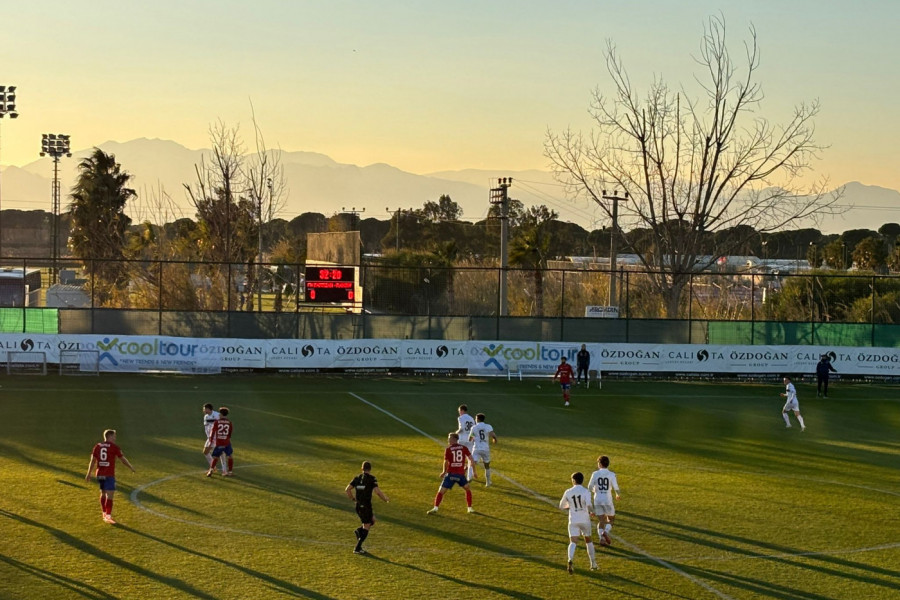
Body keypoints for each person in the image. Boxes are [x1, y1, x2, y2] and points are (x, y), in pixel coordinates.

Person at [85, 429, 135, 524]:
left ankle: (104, 513)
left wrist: (88, 473)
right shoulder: (114, 447)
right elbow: (122, 459)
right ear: (109, 436)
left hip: (100, 474)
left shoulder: (97, 446)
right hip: (109, 474)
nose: (115, 438)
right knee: (110, 495)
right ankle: (108, 516)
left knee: (103, 492)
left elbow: (93, 461)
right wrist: (130, 466)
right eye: (114, 436)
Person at [345, 461, 390, 555]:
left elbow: (347, 489)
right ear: (370, 469)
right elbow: (377, 492)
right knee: (367, 525)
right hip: (366, 506)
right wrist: (385, 499)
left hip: (358, 506)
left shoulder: (357, 478)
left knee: (372, 520)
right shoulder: (372, 479)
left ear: (362, 468)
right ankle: (357, 548)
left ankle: (359, 531)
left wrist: (353, 499)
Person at [559, 472, 598, 574]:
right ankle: (593, 564)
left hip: (573, 520)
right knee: (588, 540)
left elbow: (561, 506)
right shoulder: (586, 491)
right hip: (584, 520)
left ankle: (570, 559)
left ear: (573, 480)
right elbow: (588, 505)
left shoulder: (568, 492)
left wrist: (570, 506)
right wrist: (592, 511)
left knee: (573, 542)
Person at [427, 433, 475, 515]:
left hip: (450, 475)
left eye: (449, 438)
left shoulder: (448, 449)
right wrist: (469, 468)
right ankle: (470, 508)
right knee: (467, 489)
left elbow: (446, 462)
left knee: (441, 491)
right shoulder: (464, 448)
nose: (448, 440)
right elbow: (471, 459)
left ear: (454, 439)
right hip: (460, 475)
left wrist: (444, 471)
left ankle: (435, 508)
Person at [587, 455, 621, 547]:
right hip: (607, 499)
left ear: (600, 464)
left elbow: (589, 487)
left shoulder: (595, 474)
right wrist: (617, 494)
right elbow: (616, 487)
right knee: (611, 519)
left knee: (601, 520)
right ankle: (605, 532)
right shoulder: (611, 474)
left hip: (597, 499)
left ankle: (601, 539)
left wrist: (594, 490)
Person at [469, 413, 498, 486]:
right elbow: (493, 434)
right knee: (487, 465)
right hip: (485, 448)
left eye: (476, 418)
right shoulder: (488, 426)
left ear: (478, 419)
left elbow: (470, 438)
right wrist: (495, 439)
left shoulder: (474, 427)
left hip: (476, 448)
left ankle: (469, 477)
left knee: (472, 462)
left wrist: (473, 438)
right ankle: (488, 482)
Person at [206, 407, 235, 476]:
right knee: (230, 456)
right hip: (227, 442)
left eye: (219, 413)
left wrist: (211, 441)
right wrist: (227, 438)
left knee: (216, 457)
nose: (219, 415)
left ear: (221, 414)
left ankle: (211, 470)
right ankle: (230, 472)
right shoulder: (229, 422)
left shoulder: (217, 422)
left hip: (219, 442)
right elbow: (230, 432)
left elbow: (212, 432)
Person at [202, 403, 227, 475]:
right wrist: (208, 436)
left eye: (205, 409)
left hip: (217, 437)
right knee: (205, 452)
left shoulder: (217, 415)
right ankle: (213, 467)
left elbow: (223, 423)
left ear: (209, 409)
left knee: (221, 453)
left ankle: (224, 470)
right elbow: (206, 427)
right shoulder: (206, 417)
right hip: (210, 437)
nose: (204, 410)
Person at [456, 404, 476, 480]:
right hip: (470, 440)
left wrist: (456, 433)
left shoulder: (461, 418)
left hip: (462, 439)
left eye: (459, 411)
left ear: (462, 410)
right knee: (470, 458)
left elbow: (461, 428)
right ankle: (469, 477)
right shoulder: (472, 419)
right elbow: (473, 430)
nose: (459, 412)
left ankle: (459, 473)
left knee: (460, 457)